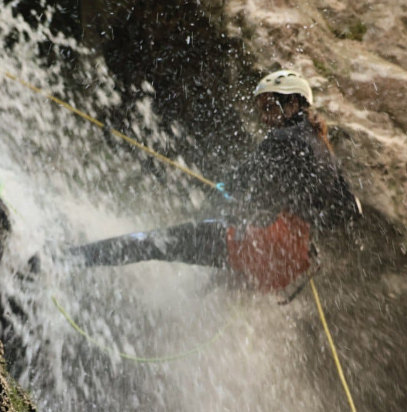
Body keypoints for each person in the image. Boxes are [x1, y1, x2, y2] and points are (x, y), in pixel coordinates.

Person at [68, 70, 362, 300]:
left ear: (294, 103)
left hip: (263, 244)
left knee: (154, 243)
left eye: (271, 106)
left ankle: (67, 259)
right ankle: (166, 324)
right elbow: (351, 211)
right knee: (212, 292)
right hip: (288, 264)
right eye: (262, 108)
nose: (266, 117)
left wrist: (219, 189)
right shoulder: (325, 151)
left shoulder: (283, 139)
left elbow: (246, 179)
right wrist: (303, 226)